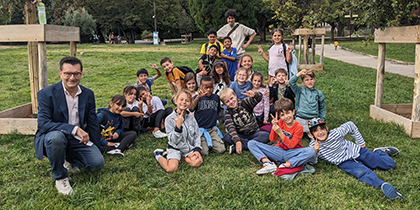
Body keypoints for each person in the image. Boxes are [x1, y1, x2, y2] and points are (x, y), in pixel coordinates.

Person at [34, 56, 104, 195]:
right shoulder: (46, 94)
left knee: (97, 163)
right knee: (56, 138)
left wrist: (97, 147)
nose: (72, 77)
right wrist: (74, 129)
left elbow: (92, 122)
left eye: (76, 73)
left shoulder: (88, 94)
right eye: (68, 73)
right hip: (55, 135)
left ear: (81, 74)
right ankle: (60, 177)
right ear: (61, 73)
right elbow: (43, 124)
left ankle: (68, 159)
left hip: (78, 139)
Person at [308, 118, 404, 200]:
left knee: (390, 165)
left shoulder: (336, 133)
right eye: (316, 130)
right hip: (344, 162)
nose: (320, 132)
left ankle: (380, 152)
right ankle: (382, 185)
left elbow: (350, 125)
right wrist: (315, 151)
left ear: (327, 128)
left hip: (357, 151)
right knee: (362, 172)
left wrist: (360, 143)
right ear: (311, 134)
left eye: (322, 129)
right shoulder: (313, 145)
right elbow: (313, 162)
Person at [249, 98, 316, 175]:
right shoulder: (280, 122)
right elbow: (272, 139)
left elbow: (291, 145)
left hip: (292, 153)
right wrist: (274, 128)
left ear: (293, 112)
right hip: (278, 150)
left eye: (288, 113)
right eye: (282, 115)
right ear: (279, 116)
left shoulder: (299, 127)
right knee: (251, 143)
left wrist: (280, 132)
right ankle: (268, 163)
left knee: (311, 150)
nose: (286, 117)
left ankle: (286, 165)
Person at [153, 89, 203, 173]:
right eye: (181, 99)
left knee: (197, 162)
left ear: (190, 104)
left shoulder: (191, 118)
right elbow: (173, 140)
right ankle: (158, 155)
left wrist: (197, 149)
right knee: (171, 169)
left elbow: (197, 135)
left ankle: (181, 158)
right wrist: (178, 127)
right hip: (175, 148)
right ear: (176, 101)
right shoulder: (169, 119)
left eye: (187, 101)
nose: (184, 102)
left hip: (188, 149)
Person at [220, 88, 270, 154]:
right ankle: (250, 144)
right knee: (227, 137)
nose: (231, 102)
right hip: (241, 135)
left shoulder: (245, 102)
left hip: (253, 132)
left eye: (231, 98)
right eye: (227, 101)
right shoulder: (227, 112)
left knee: (266, 136)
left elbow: (259, 98)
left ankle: (243, 145)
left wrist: (254, 95)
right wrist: (237, 141)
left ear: (235, 95)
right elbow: (230, 127)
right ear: (224, 104)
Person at [192, 76, 225, 156]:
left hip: (212, 128)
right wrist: (198, 97)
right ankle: (204, 142)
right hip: (200, 129)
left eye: (211, 87)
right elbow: (191, 108)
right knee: (204, 152)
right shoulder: (197, 98)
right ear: (201, 87)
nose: (208, 90)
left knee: (221, 150)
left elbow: (217, 111)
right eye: (206, 87)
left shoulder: (216, 98)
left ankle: (211, 141)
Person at [289, 69, 325, 137]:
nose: (309, 82)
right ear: (302, 82)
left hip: (313, 118)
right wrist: (299, 73)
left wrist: (321, 119)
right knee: (293, 135)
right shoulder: (299, 90)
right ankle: (303, 130)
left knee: (317, 136)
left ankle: (309, 132)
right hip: (301, 118)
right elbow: (291, 82)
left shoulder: (318, 93)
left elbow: (322, 107)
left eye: (311, 79)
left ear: (314, 79)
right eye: (307, 80)